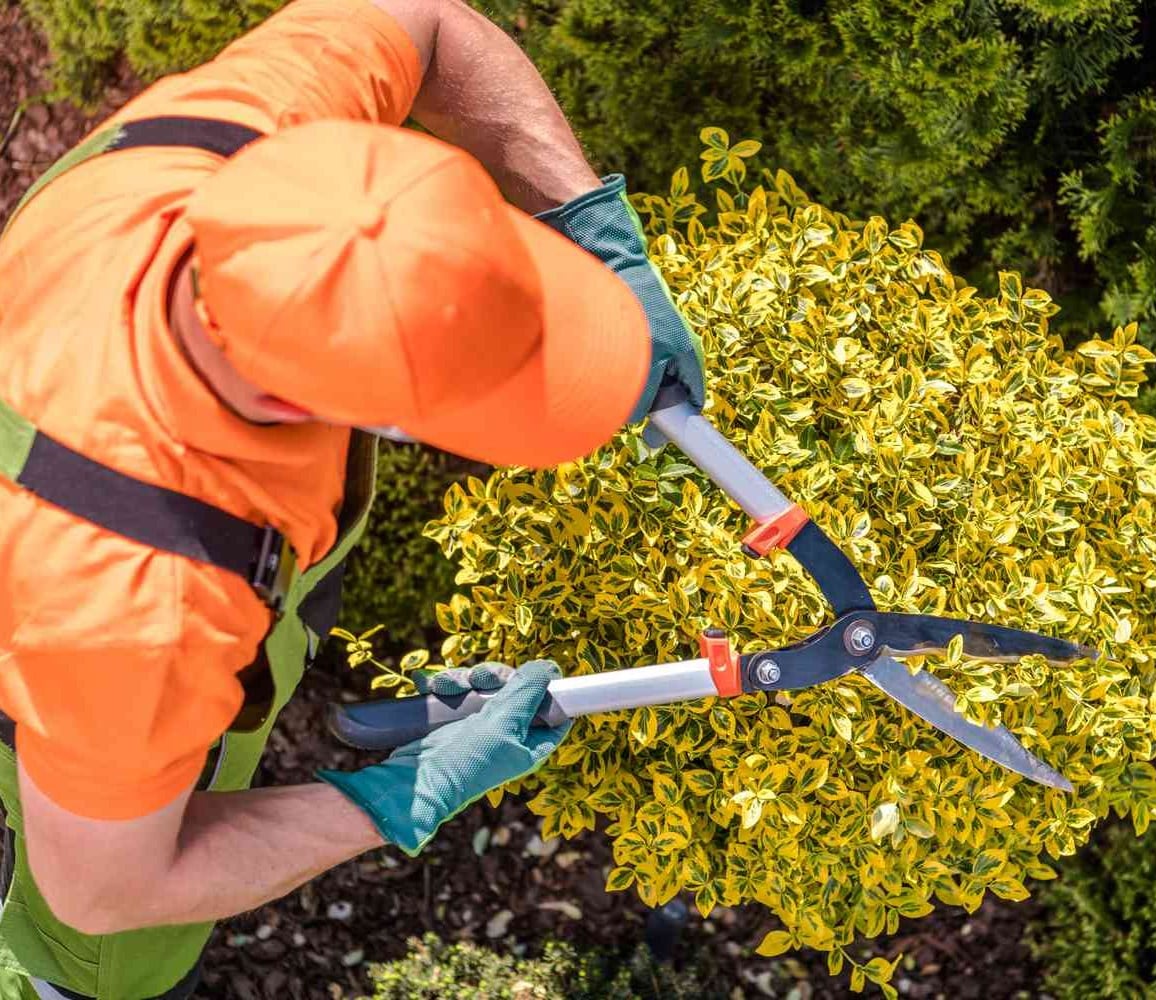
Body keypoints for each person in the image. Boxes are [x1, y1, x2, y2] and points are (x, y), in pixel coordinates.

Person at [0, 0, 705, 996]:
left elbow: (423, 22)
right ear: (302, 403)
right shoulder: (146, 615)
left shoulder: (255, 156)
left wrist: (590, 229)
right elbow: (103, 887)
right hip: (64, 681)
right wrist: (400, 794)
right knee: (108, 958)